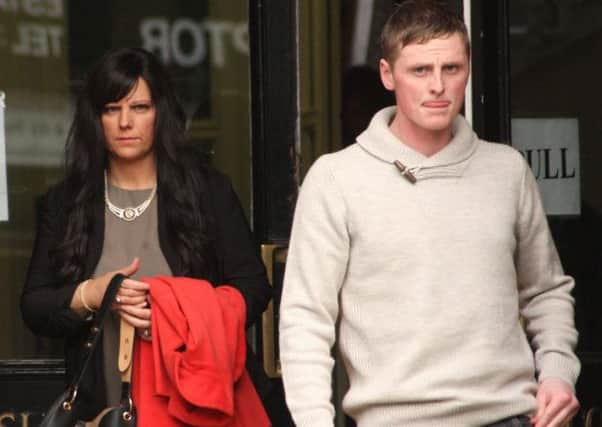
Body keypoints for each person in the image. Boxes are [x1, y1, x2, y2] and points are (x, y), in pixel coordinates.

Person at [279, 1, 580, 426]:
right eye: (420, 71)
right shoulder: (336, 179)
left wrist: (557, 374)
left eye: (452, 69)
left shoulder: (507, 170)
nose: (438, 85)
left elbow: (546, 291)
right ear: (387, 74)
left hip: (509, 416)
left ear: (468, 69)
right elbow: (305, 320)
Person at [20, 47, 272, 422]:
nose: (125, 122)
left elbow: (253, 287)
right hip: (102, 408)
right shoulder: (68, 200)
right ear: (96, 118)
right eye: (111, 109)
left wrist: (178, 318)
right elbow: (34, 305)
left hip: (195, 406)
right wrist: (93, 294)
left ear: (160, 113)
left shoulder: (207, 191)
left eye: (139, 107)